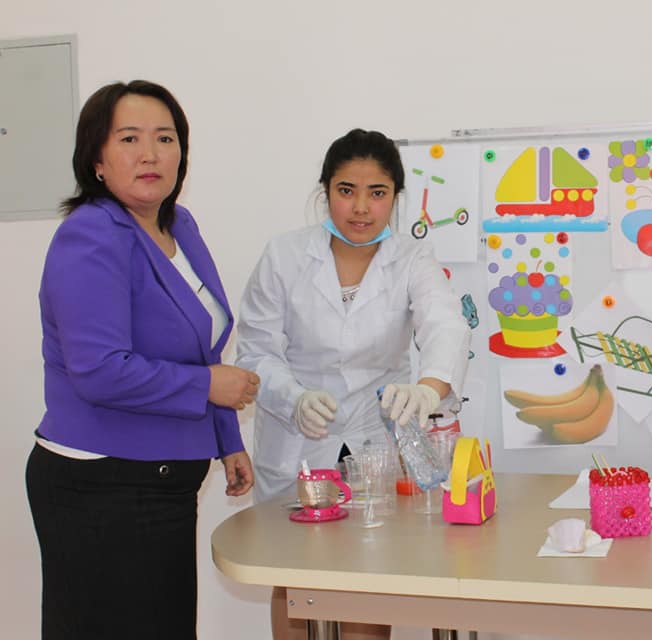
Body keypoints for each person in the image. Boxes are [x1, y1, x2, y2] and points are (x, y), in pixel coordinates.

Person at [25, 80, 260, 640]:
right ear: (97, 159)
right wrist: (208, 388)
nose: (150, 154)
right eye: (129, 138)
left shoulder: (179, 226)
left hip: (162, 479)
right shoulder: (91, 235)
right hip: (99, 485)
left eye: (165, 138)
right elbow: (100, 370)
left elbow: (201, 347)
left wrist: (226, 438)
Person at [236, 128, 470, 640]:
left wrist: (428, 389)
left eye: (377, 192)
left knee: (368, 573)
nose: (361, 208)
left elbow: (445, 326)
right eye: (347, 190)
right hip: (298, 438)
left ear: (395, 197)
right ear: (326, 191)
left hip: (373, 438)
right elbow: (255, 350)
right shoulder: (284, 255)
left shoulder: (412, 258)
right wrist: (293, 398)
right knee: (294, 579)